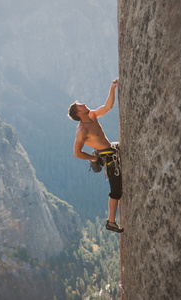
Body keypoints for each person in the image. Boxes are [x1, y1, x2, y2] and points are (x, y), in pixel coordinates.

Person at [67, 78, 123, 233]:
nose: (84, 104)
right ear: (79, 113)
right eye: (81, 105)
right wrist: (94, 158)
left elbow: (107, 106)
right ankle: (111, 222)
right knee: (116, 191)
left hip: (111, 149)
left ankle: (111, 221)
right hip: (107, 158)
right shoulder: (81, 131)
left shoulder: (91, 115)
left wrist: (112, 88)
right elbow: (77, 153)